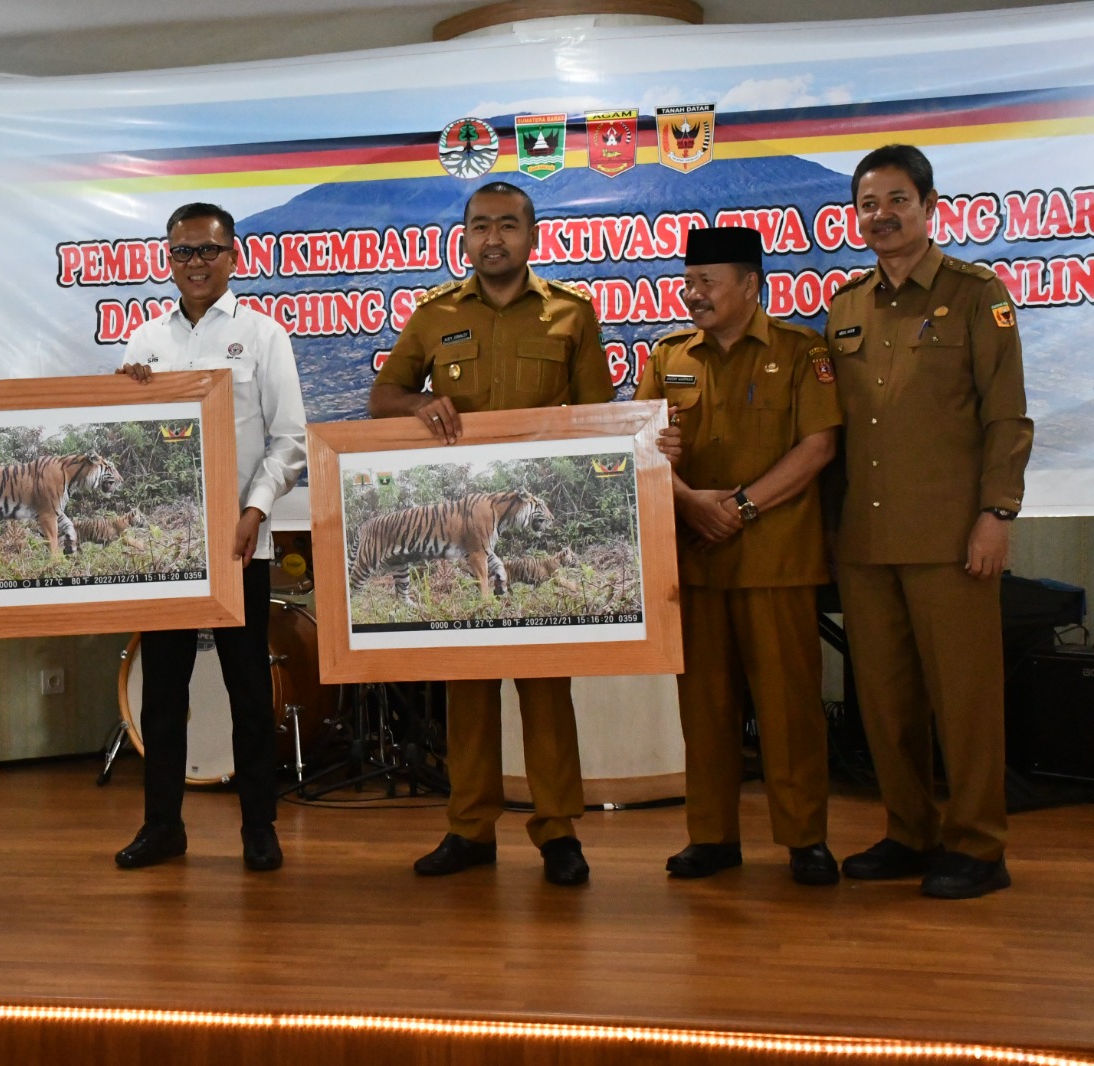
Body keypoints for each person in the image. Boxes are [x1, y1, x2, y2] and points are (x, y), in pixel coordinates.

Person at [368, 180, 653, 886]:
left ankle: (558, 832)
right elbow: (382, 399)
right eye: (479, 226)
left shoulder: (571, 314)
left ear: (533, 236)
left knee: (545, 686)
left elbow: (599, 415)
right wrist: (421, 404)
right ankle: (469, 829)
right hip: (465, 527)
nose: (491, 238)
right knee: (465, 686)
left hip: (529, 525)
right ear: (464, 236)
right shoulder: (435, 315)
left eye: (506, 225)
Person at [826, 145, 1032, 899]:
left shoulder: (978, 294)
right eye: (868, 205)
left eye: (897, 201)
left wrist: (996, 513)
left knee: (966, 701)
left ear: (929, 204)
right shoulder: (844, 306)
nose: (881, 217)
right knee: (884, 702)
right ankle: (909, 831)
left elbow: (1006, 416)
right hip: (866, 542)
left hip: (951, 539)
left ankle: (979, 844)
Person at [636, 226, 841, 886]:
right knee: (706, 710)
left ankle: (804, 839)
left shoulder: (802, 352)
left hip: (776, 561)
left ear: (750, 286)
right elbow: (637, 448)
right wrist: (691, 501)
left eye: (708, 283)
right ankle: (713, 837)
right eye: (688, 283)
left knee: (790, 710)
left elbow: (818, 447)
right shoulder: (669, 355)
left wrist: (740, 507)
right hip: (695, 563)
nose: (692, 294)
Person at [113, 202, 307, 872]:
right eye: (182, 252)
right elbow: (125, 445)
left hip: (234, 543)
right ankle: (162, 825)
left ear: (234, 256)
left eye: (208, 251)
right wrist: (125, 398)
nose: (195, 263)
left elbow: (290, 442)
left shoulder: (262, 336)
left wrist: (255, 512)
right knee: (162, 696)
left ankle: (260, 826)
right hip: (163, 552)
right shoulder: (144, 343)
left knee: (249, 691)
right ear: (167, 259)